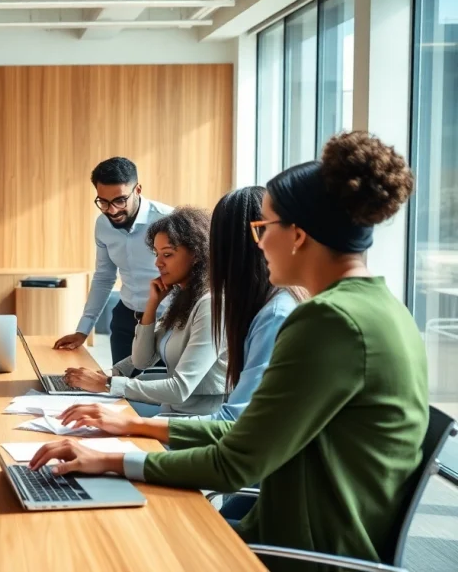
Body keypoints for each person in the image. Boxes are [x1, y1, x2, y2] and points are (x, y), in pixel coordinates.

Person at [31, 132, 428, 570]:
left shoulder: (328, 322)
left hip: (300, 552)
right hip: (290, 529)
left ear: (297, 235)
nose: (258, 243)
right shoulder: (381, 309)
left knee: (112, 545)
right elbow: (247, 437)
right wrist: (130, 432)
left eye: (263, 228)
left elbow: (236, 461)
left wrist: (110, 459)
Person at [63, 206, 226, 417]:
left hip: (196, 421)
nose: (158, 263)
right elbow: (141, 360)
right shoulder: (183, 298)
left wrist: (107, 383)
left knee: (94, 420)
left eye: (167, 254)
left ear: (196, 254)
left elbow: (179, 389)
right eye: (157, 254)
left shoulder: (211, 305)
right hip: (172, 412)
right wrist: (152, 306)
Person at [54, 157, 173, 364]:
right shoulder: (103, 225)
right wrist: (83, 330)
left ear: (137, 190)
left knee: (159, 383)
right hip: (125, 319)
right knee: (120, 381)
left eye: (120, 200)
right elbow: (104, 277)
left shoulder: (169, 220)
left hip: (168, 321)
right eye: (103, 202)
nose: (112, 210)